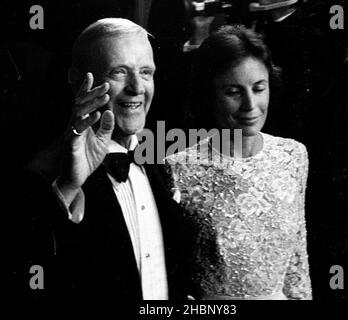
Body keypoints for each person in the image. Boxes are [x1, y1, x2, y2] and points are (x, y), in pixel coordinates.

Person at [7, 18, 193, 303]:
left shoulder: (161, 163)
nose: (136, 87)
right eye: (118, 72)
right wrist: (68, 185)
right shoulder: (38, 177)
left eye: (146, 72)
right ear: (77, 81)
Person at [166, 25, 312, 300]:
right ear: (209, 94)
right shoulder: (177, 168)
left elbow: (297, 265)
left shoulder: (293, 156)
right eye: (233, 92)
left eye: (259, 88)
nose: (250, 105)